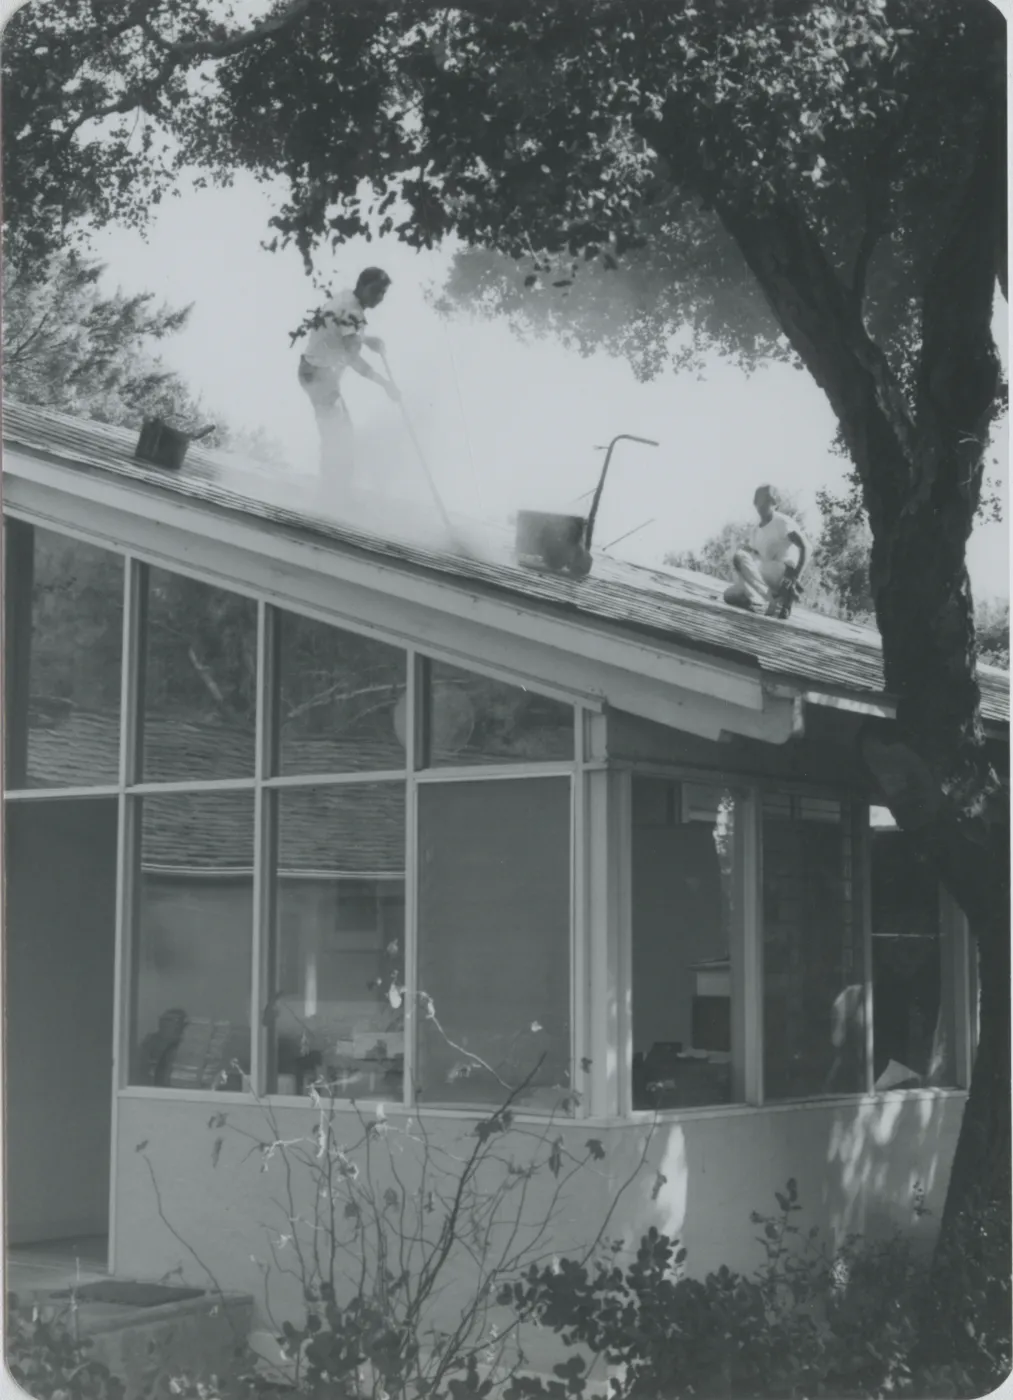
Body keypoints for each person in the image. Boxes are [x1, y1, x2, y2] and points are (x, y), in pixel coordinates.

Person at [297, 266, 400, 486]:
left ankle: (333, 487)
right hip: (318, 374)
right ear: (362, 286)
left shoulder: (346, 299)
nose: (379, 297)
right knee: (338, 435)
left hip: (316, 372)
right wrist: (384, 384)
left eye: (383, 293)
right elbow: (353, 359)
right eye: (375, 291)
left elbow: (342, 333)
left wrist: (365, 339)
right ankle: (333, 491)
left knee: (340, 432)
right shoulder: (353, 311)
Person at [724, 484, 809, 616]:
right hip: (764, 577)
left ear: (774, 503)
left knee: (740, 556)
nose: (765, 504)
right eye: (761, 500)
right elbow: (755, 562)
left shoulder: (782, 522)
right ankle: (768, 602)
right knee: (729, 595)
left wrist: (795, 576)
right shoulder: (755, 531)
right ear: (755, 502)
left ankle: (773, 600)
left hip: (782, 574)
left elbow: (806, 547)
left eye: (769, 501)